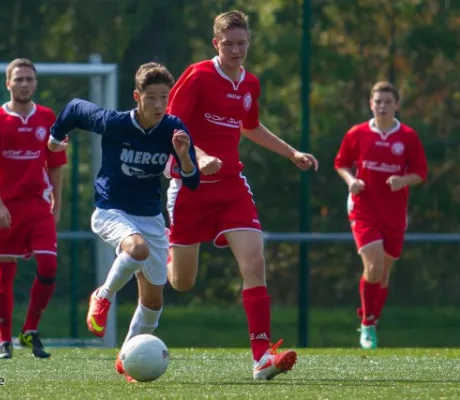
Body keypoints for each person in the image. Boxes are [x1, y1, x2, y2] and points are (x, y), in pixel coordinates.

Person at [163, 10, 319, 380]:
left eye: (242, 43)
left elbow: (251, 127)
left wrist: (292, 152)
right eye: (229, 44)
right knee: (182, 283)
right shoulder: (197, 76)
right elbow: (171, 126)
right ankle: (157, 253)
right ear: (215, 43)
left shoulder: (250, 84)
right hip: (190, 186)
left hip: (232, 187)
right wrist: (199, 158)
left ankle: (262, 357)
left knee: (254, 262)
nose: (236, 50)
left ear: (249, 42)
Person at [48, 62, 200, 382]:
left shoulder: (173, 128)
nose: (159, 105)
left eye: (164, 97)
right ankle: (102, 296)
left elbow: (193, 180)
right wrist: (55, 136)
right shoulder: (115, 124)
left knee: (153, 301)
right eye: (152, 98)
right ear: (137, 96)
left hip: (151, 217)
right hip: (110, 210)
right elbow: (75, 108)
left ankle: (126, 357)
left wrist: (184, 155)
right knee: (137, 249)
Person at [0, 58, 67, 359]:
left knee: (49, 266)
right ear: (8, 83)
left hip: (38, 205)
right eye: (19, 79)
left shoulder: (49, 117)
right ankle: (4, 341)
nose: (24, 84)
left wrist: (58, 202)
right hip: (5, 206)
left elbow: (56, 164)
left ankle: (30, 330)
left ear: (36, 83)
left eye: (29, 79)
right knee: (5, 272)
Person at [334, 81, 428, 349]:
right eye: (378, 101)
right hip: (364, 210)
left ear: (397, 105)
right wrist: (351, 181)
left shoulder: (408, 137)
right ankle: (366, 325)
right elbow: (341, 163)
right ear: (370, 104)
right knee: (373, 267)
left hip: (395, 214)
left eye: (388, 102)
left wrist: (403, 180)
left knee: (383, 275)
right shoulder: (358, 133)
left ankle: (371, 319)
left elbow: (420, 174)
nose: (382, 106)